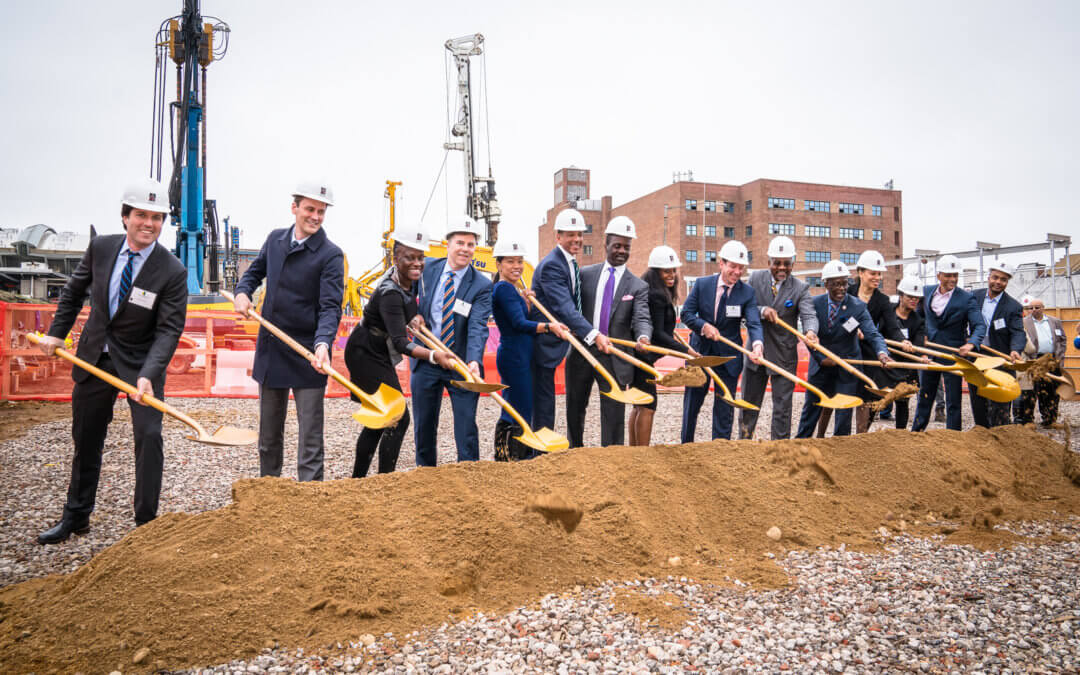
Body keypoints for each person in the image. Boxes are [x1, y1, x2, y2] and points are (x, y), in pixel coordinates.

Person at [36, 178, 188, 544]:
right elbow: (73, 294)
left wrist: (150, 374)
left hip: (141, 365)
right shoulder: (101, 249)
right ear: (125, 217)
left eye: (156, 217)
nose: (148, 224)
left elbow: (168, 330)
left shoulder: (172, 271)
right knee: (86, 438)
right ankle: (76, 517)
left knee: (149, 438)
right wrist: (57, 333)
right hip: (94, 358)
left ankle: (146, 525)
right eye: (141, 215)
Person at [233, 180, 344, 482]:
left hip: (309, 353)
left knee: (310, 437)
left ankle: (310, 499)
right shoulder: (275, 240)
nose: (316, 216)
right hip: (272, 350)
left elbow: (330, 306)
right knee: (269, 436)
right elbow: (254, 273)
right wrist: (243, 292)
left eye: (321, 211)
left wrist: (323, 343)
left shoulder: (330, 255)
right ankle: (269, 491)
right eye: (310, 209)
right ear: (294, 208)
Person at [345, 226, 452, 477]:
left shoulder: (404, 280)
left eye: (420, 257)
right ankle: (385, 479)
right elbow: (402, 342)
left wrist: (414, 316)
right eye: (409, 257)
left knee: (381, 414)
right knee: (396, 415)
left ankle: (359, 479)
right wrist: (435, 356)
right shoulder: (389, 293)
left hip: (377, 349)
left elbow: (408, 305)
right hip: (365, 353)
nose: (417, 263)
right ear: (396, 259)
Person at [411, 219, 493, 466]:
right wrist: (410, 314)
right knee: (424, 427)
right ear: (448, 244)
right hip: (427, 359)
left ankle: (469, 476)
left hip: (460, 364)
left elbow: (478, 326)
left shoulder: (481, 285)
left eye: (471, 244)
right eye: (460, 243)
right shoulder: (427, 270)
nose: (465, 249)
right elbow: (404, 293)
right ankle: (425, 477)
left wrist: (473, 361)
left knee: (466, 427)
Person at [565, 216, 651, 448]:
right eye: (617, 246)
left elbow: (642, 317)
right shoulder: (584, 275)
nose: (622, 251)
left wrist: (644, 337)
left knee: (613, 412)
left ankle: (613, 457)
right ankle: (575, 451)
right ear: (606, 245)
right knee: (575, 406)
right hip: (582, 351)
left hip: (614, 356)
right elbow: (567, 304)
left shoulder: (637, 286)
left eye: (626, 247)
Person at [530, 208, 613, 432]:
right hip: (542, 344)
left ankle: (541, 449)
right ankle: (539, 454)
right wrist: (594, 334)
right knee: (543, 404)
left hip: (558, 341)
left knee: (546, 402)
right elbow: (564, 307)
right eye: (570, 235)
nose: (576, 239)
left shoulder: (569, 263)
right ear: (558, 236)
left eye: (579, 234)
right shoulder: (552, 265)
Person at [490, 239, 568, 460]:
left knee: (512, 404)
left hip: (517, 354)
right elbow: (518, 323)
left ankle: (504, 454)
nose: (517, 266)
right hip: (515, 355)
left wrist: (527, 302)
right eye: (510, 262)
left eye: (520, 261)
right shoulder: (504, 289)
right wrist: (548, 326)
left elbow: (519, 316)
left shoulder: (511, 289)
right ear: (499, 265)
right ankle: (518, 458)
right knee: (522, 409)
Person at [795, 261, 891, 438]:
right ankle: (801, 444)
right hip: (821, 366)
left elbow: (872, 333)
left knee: (844, 413)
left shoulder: (857, 306)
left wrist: (882, 352)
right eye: (836, 284)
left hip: (847, 367)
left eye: (845, 283)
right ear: (826, 283)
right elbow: (809, 338)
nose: (841, 288)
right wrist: (820, 358)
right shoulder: (814, 304)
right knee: (811, 410)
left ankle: (840, 450)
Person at [680, 240, 764, 442]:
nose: (737, 272)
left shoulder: (747, 292)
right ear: (721, 264)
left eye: (741, 268)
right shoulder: (702, 285)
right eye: (733, 266)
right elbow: (686, 314)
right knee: (691, 405)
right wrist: (703, 326)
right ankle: (685, 447)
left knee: (724, 409)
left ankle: (721, 450)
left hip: (728, 360)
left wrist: (757, 345)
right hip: (700, 355)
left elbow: (753, 323)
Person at [738, 236, 818, 440]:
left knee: (782, 408)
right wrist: (762, 310)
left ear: (793, 263)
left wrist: (810, 332)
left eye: (787, 263)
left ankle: (780, 448)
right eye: (777, 263)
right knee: (749, 404)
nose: (782, 268)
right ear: (768, 263)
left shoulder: (801, 288)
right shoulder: (754, 279)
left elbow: (809, 315)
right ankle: (744, 444)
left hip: (784, 356)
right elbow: (743, 308)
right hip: (756, 353)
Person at [911, 254, 986, 432]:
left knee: (954, 399)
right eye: (948, 275)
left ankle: (954, 435)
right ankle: (916, 432)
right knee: (925, 396)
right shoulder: (926, 292)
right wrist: (921, 336)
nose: (952, 279)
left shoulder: (966, 298)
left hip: (954, 354)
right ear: (939, 275)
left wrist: (971, 344)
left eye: (955, 275)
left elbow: (979, 326)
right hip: (930, 353)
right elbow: (917, 318)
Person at [628, 245, 689, 446]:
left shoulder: (652, 291)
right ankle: (642, 455)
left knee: (639, 403)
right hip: (642, 356)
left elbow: (662, 328)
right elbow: (659, 335)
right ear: (656, 273)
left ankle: (635, 452)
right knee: (648, 405)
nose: (671, 275)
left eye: (673, 270)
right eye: (666, 271)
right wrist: (688, 352)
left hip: (639, 357)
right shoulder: (655, 295)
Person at [848, 250, 908, 433]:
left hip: (868, 353)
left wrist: (904, 341)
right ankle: (838, 435)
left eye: (879, 273)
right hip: (846, 349)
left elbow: (892, 327)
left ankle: (861, 435)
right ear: (860, 273)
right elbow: (838, 318)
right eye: (873, 273)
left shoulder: (882, 300)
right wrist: (852, 329)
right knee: (842, 393)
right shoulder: (848, 292)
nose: (878, 277)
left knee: (867, 394)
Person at [969, 261, 1025, 427]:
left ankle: (1000, 436)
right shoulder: (973, 297)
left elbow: (1018, 332)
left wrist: (1015, 349)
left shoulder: (1013, 306)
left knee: (1000, 405)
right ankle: (981, 433)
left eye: (1003, 279)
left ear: (1007, 282)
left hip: (999, 360)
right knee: (978, 401)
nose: (998, 282)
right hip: (975, 358)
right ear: (988, 277)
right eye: (995, 277)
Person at [1015, 297, 1067, 426]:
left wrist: (1059, 356)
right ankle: (1028, 420)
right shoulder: (1023, 322)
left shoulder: (1055, 321)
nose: (1034, 310)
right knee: (1030, 391)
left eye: (1037, 307)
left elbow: (1062, 339)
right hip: (1034, 361)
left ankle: (1050, 419)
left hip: (1052, 361)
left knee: (1052, 391)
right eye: (1030, 308)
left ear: (1043, 308)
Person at [891, 276, 928, 429]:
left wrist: (920, 355)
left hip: (905, 368)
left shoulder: (918, 320)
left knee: (902, 403)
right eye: (910, 297)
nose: (914, 300)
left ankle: (900, 435)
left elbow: (918, 344)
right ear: (901, 296)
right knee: (876, 402)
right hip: (885, 364)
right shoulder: (887, 313)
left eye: (917, 298)